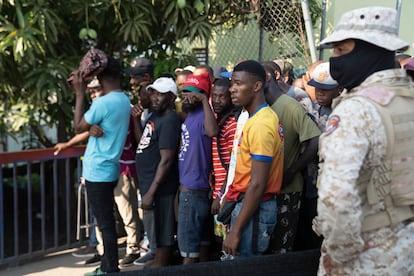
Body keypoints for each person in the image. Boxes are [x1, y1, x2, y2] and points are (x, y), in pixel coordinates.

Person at [313, 6, 414, 275]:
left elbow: (338, 198)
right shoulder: (407, 99)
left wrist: (340, 254)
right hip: (405, 252)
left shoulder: (355, 110)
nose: (334, 60)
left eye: (341, 51)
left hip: (364, 257)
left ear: (370, 51)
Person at [70, 54, 131, 275]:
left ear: (100, 77)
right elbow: (94, 126)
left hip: (97, 170)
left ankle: (111, 269)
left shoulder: (103, 103)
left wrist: (79, 93)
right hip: (111, 169)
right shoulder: (124, 100)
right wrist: (91, 128)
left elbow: (77, 126)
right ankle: (107, 265)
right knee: (106, 221)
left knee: (105, 224)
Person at [222, 60, 284, 258]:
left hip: (254, 210)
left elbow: (257, 184)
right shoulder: (256, 118)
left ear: (257, 86)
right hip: (249, 207)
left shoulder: (261, 124)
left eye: (238, 84)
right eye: (232, 83)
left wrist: (236, 231)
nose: (232, 89)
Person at [261, 61, 321, 253]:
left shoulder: (291, 106)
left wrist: (292, 170)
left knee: (281, 249)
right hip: (266, 189)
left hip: (288, 190)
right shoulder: (262, 108)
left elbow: (314, 139)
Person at [135, 77, 181, 268]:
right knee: (156, 229)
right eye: (153, 93)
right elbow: (144, 143)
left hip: (161, 189)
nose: (155, 98)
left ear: (171, 98)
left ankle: (162, 263)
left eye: (160, 94)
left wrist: (151, 192)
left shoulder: (169, 119)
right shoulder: (154, 116)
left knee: (163, 231)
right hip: (149, 184)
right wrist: (136, 121)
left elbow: (167, 159)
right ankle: (158, 260)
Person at [177, 72, 218, 264]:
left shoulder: (204, 114)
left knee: (188, 253)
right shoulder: (190, 114)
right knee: (200, 246)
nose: (186, 96)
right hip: (192, 190)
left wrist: (204, 101)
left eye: (191, 93)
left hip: (193, 191)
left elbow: (212, 131)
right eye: (184, 92)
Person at [125, 56, 158, 266]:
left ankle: (155, 249)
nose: (132, 84)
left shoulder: (157, 106)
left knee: (152, 208)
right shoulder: (142, 107)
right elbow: (141, 143)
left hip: (157, 169)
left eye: (135, 78)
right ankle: (150, 245)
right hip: (145, 169)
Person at [210, 78, 238, 241]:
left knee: (227, 242)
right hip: (218, 193)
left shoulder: (232, 123)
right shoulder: (220, 121)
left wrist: (220, 195)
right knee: (221, 240)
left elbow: (233, 165)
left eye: (222, 96)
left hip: (226, 195)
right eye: (214, 96)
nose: (217, 101)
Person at [307, 62, 342, 132]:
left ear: (340, 89)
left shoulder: (346, 110)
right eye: (317, 88)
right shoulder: (316, 107)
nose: (319, 93)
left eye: (325, 89)